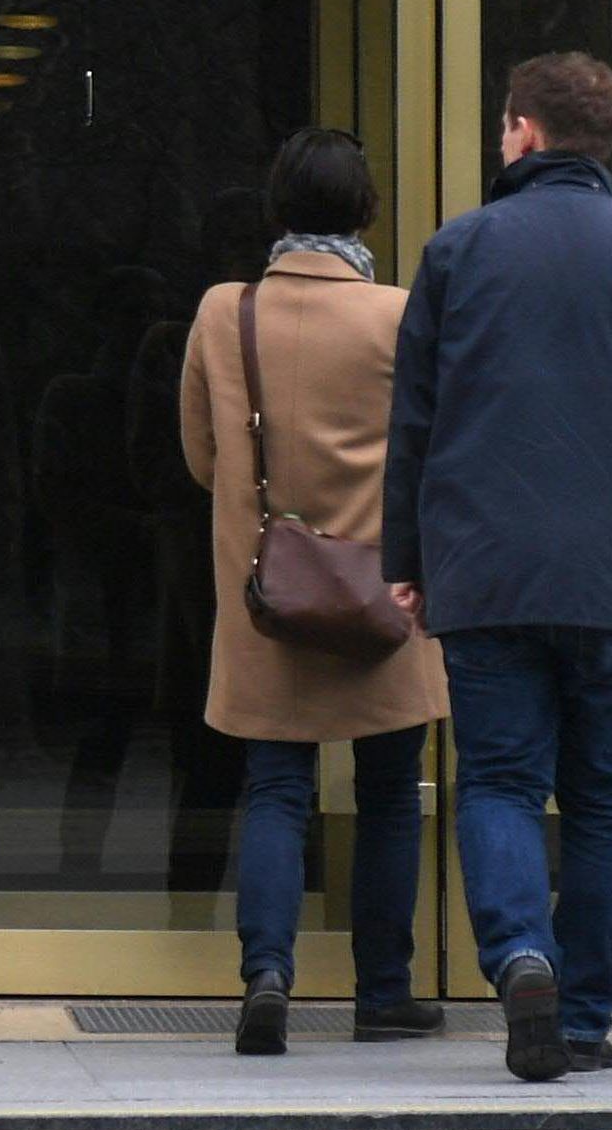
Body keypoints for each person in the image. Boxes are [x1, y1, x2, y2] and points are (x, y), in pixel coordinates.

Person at [385, 52, 612, 1083]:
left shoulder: (458, 249)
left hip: (487, 567)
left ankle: (520, 956)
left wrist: (405, 558)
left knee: (499, 781)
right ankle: (584, 1015)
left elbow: (413, 423)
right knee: (601, 797)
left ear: (522, 130)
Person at [179, 127, 450, 1055]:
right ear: (366, 210)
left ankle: (266, 976)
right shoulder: (398, 314)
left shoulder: (225, 312)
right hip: (382, 593)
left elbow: (201, 456)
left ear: (277, 209)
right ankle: (383, 993)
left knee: (275, 787)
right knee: (389, 792)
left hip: (271, 594)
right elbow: (432, 453)